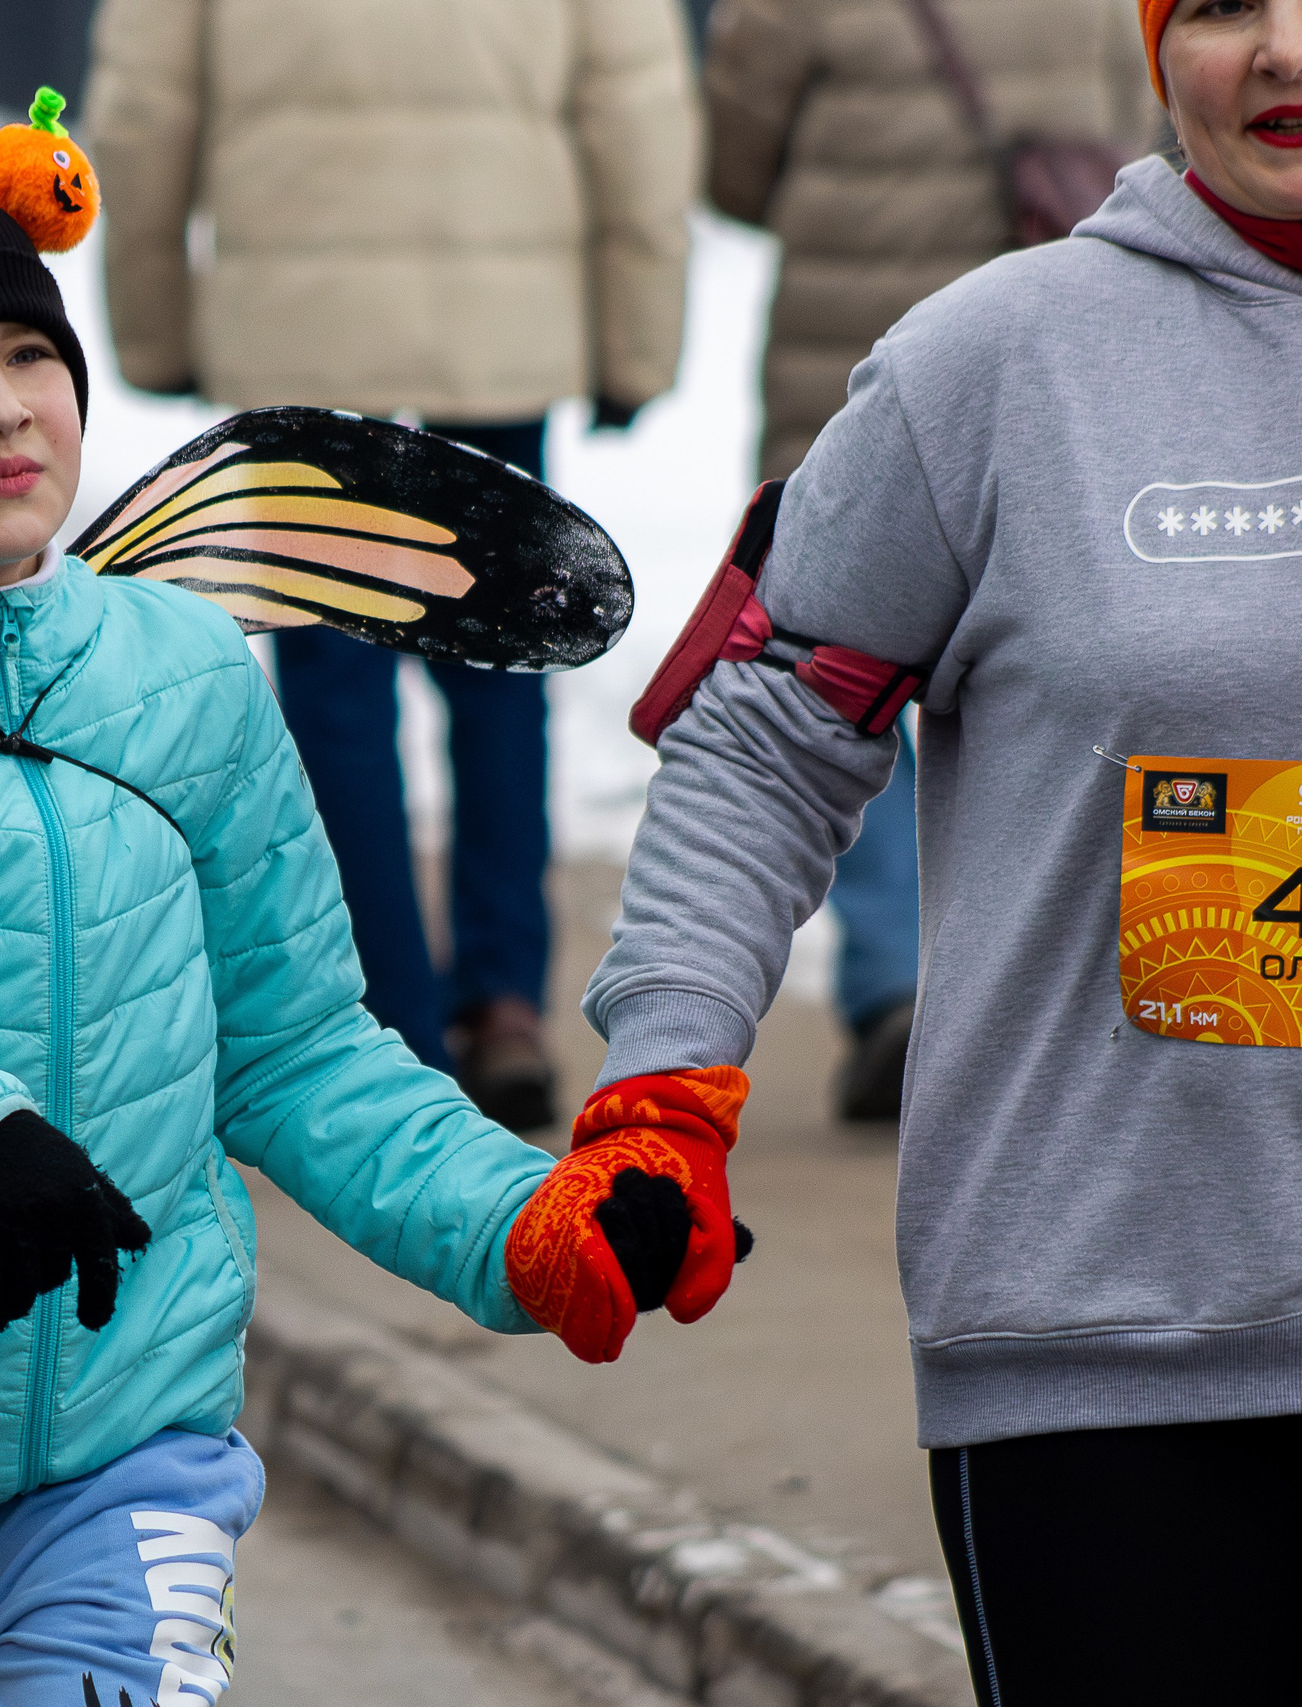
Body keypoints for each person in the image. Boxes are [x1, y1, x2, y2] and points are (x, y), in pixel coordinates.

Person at [0, 119, 743, 1705]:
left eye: (24, 351)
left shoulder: (184, 676)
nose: (0, 404)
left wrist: (521, 1226)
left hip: (135, 1453)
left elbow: (297, 1051)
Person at [584, 0, 1302, 1690]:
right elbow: (763, 735)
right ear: (1149, 43)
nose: (1282, 49)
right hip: (1108, 1362)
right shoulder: (992, 366)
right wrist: (666, 1081)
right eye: (1218, 4)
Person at [85, 0, 702, 1129]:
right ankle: (504, 1003)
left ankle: (377, 1021)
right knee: (504, 663)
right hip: (502, 316)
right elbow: (639, 116)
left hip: (300, 319)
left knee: (330, 685)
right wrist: (636, 339)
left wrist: (157, 326)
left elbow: (142, 114)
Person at [702, 0, 1160, 1119]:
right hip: (1063, 349)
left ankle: (895, 979)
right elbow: (1155, 134)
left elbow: (730, 163)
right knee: (1048, 672)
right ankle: (1049, 981)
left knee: (842, 667)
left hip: (853, 349)